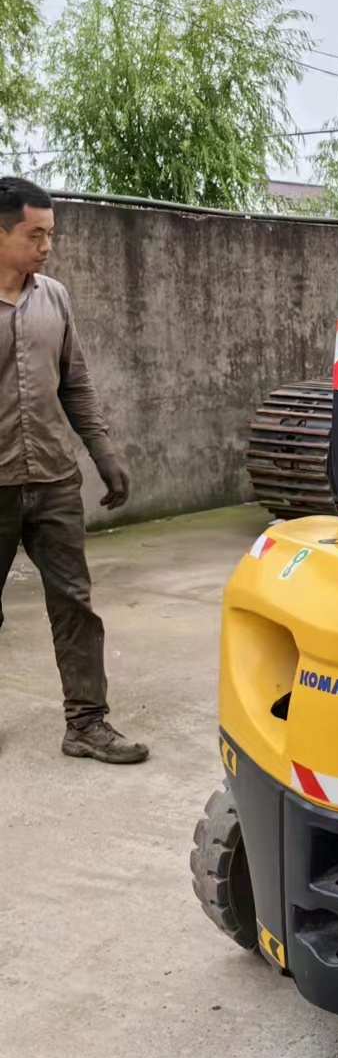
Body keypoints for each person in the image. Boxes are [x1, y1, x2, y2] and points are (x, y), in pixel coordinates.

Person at [0, 178, 148, 763]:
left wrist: (103, 452)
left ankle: (86, 724)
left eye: (51, 234)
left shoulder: (55, 297)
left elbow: (76, 383)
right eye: (35, 235)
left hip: (54, 479)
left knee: (75, 604)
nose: (46, 246)